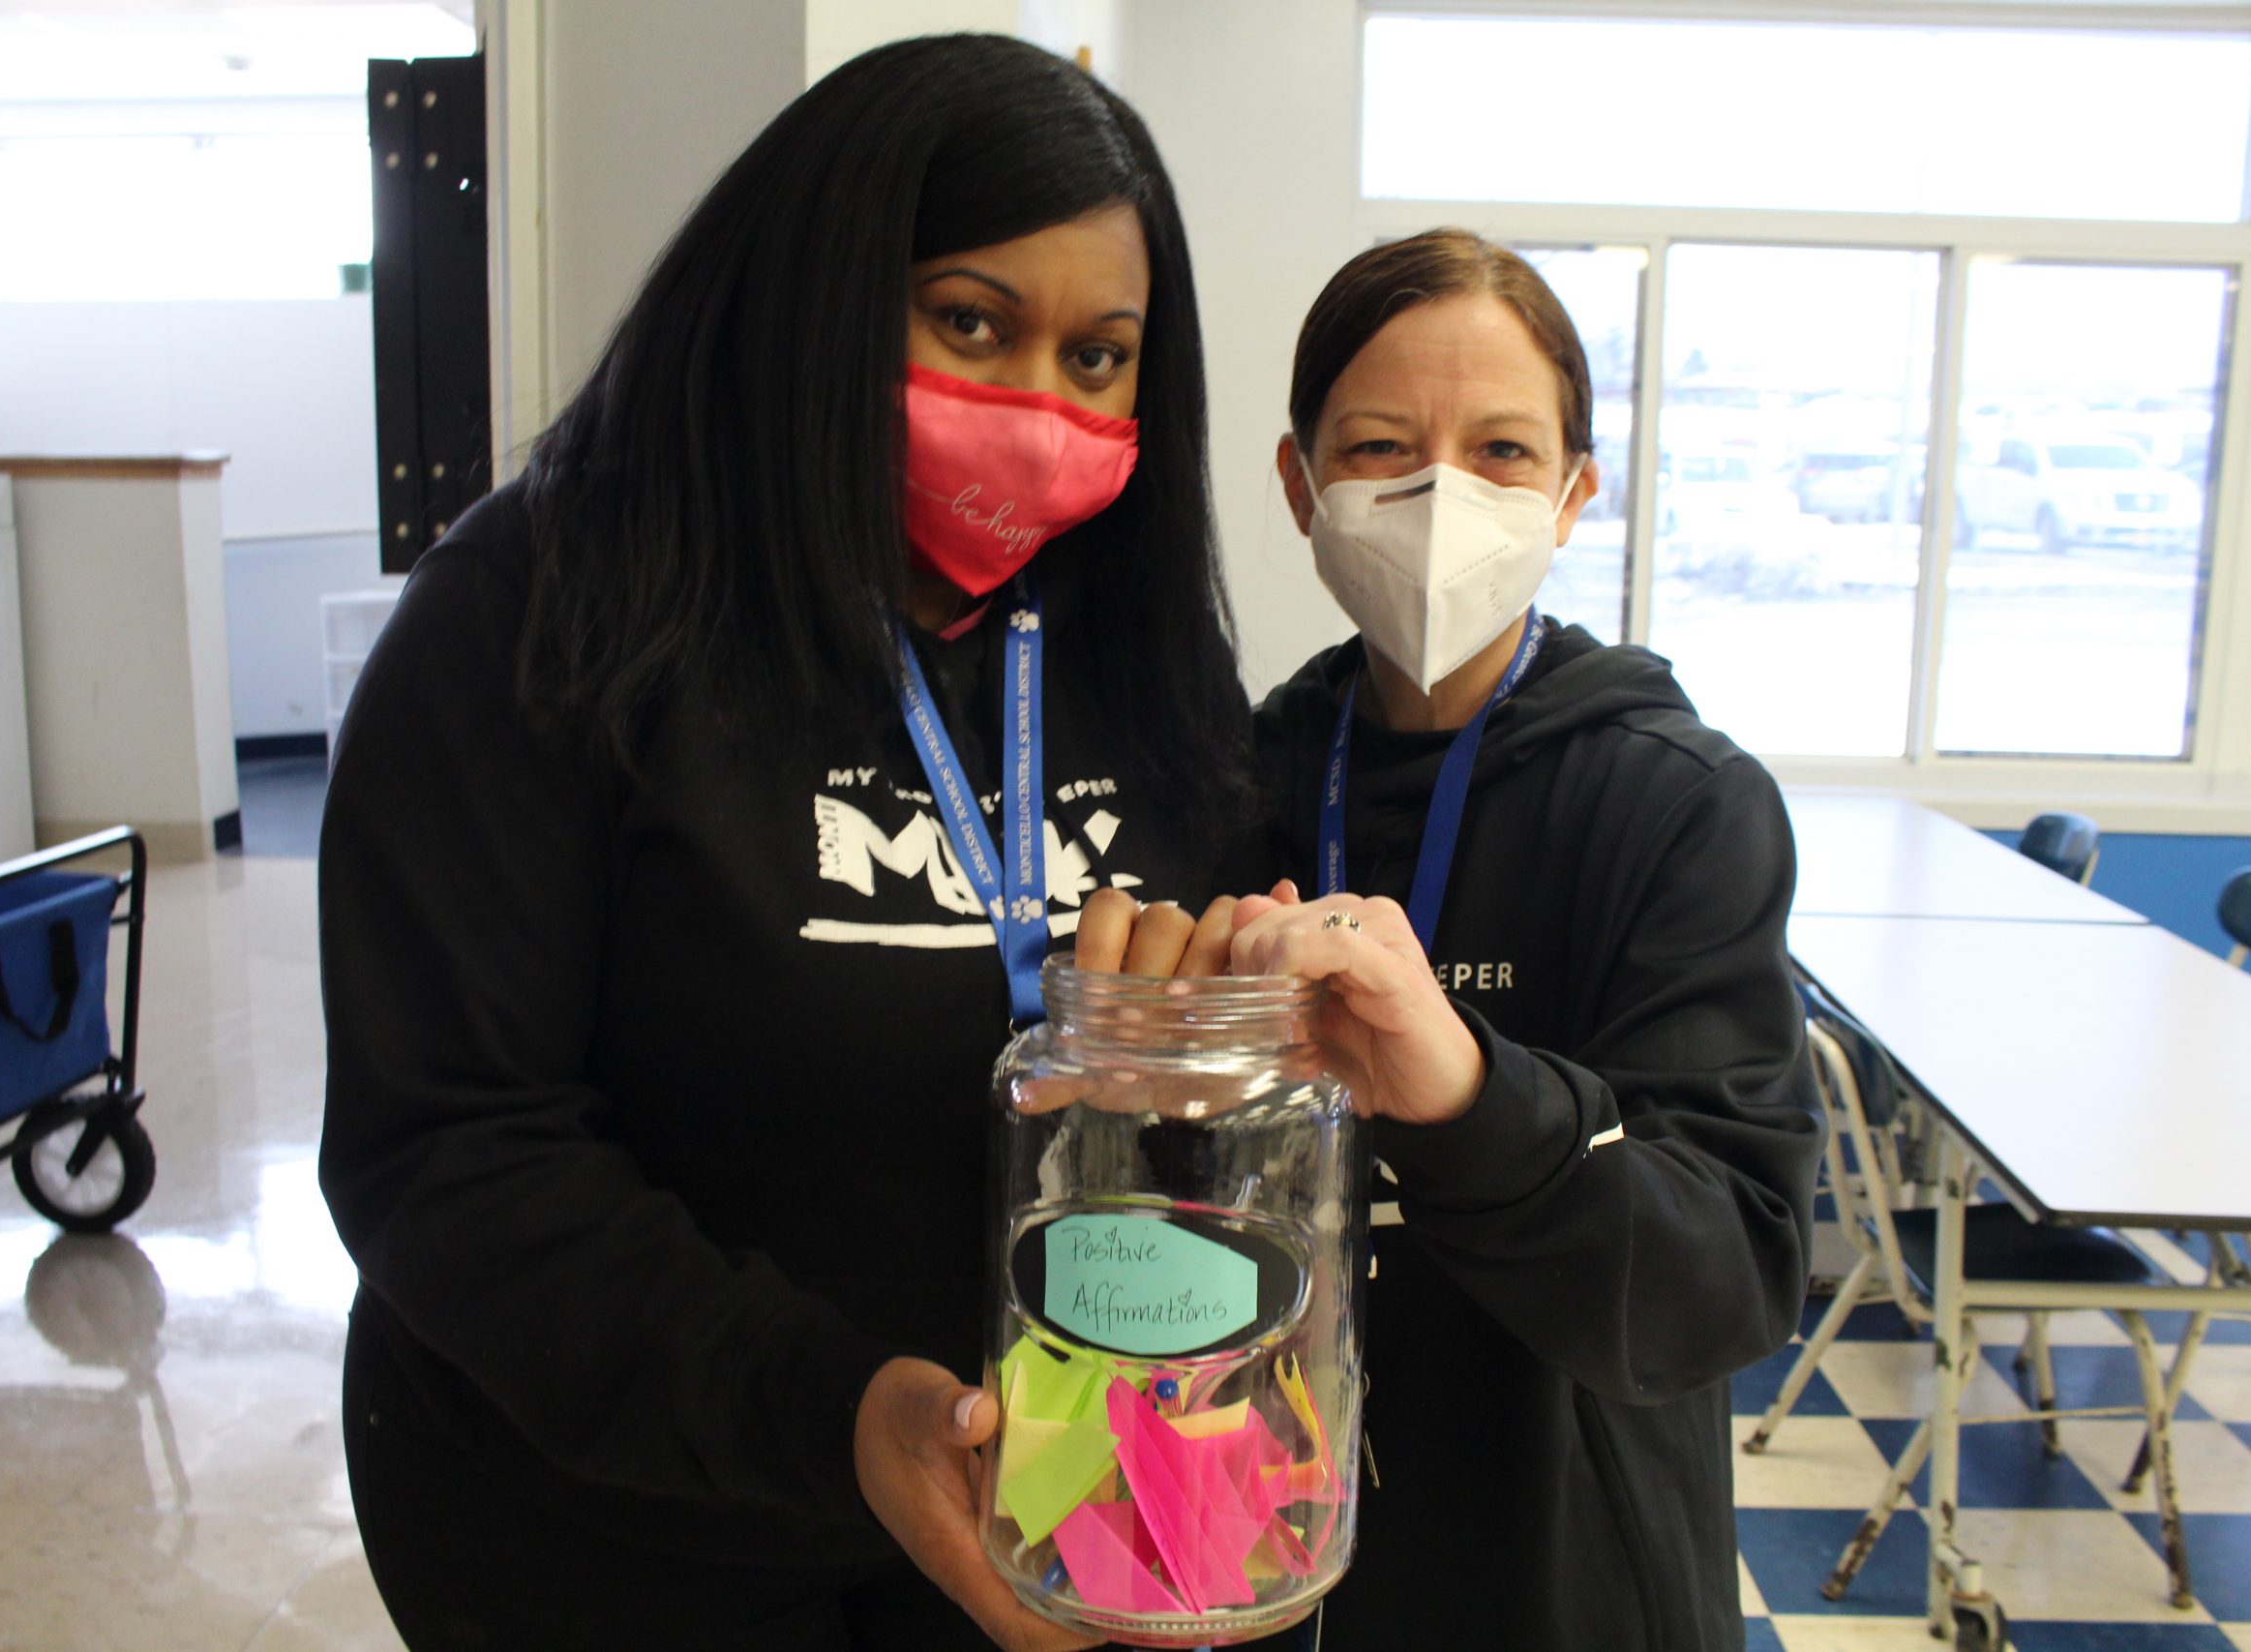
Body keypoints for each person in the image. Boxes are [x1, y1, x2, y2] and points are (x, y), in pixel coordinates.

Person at [315, 36, 1253, 1651]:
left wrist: (1185, 1076)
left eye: (1099, 359)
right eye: (970, 322)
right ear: (816, 291)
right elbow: (453, 1155)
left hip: (1029, 1501)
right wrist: (836, 1415)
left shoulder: (1129, 644)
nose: (1037, 408)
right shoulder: (539, 615)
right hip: (612, 1535)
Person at [1095, 228, 1825, 1649]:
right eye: (1378, 446)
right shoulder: (1231, 785)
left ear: (1572, 494)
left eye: (1500, 450)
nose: (1439, 494)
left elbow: (1730, 1271)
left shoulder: (1679, 808)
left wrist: (1472, 1100)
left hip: (1555, 1564)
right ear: (1301, 488)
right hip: (1248, 1532)